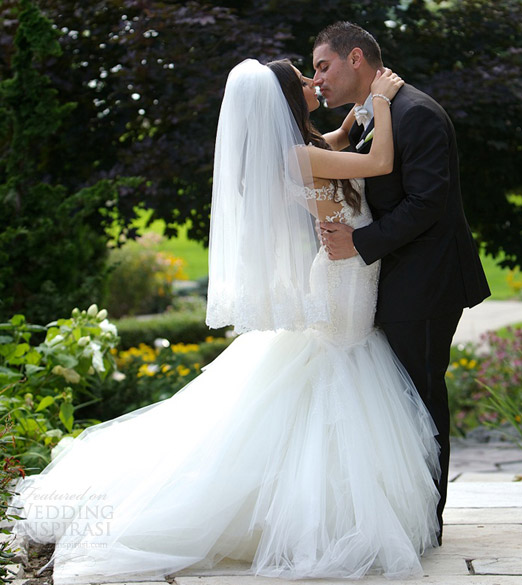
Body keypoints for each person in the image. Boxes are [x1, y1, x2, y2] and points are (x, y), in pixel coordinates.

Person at [12, 59, 440, 583]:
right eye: (304, 81)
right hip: (343, 276)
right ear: (285, 99)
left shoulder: (299, 148)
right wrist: (378, 100)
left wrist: (350, 122)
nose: (314, 83)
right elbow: (376, 164)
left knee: (332, 371)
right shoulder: (296, 155)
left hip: (344, 268)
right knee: (341, 366)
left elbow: (333, 144)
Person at [313, 22, 491, 543]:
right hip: (396, 281)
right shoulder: (374, 115)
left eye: (323, 66)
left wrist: (359, 245)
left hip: (427, 284)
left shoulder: (416, 114)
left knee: (421, 399)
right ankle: (404, 514)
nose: (318, 78)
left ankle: (426, 525)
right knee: (399, 401)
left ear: (356, 59)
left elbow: (427, 203)